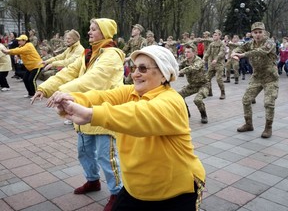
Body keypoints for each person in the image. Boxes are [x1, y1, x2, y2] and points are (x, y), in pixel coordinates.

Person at [47, 45, 206, 211]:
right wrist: (71, 100)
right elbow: (102, 96)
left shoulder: (172, 101)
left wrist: (91, 114)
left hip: (175, 192)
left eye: (143, 68)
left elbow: (138, 115)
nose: (135, 74)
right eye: (134, 67)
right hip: (135, 189)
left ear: (164, 73)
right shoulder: (131, 92)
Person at [31, 18, 124, 211]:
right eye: (89, 29)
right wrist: (46, 88)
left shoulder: (112, 55)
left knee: (106, 157)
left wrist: (63, 92)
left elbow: (93, 80)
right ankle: (93, 181)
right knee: (84, 152)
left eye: (94, 29)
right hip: (83, 114)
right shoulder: (89, 54)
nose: (89, 32)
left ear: (105, 33)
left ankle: (117, 193)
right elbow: (68, 72)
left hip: (103, 113)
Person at [231, 22, 279, 138]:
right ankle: (248, 124)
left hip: (270, 78)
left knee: (269, 103)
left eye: (260, 32)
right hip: (257, 77)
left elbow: (261, 51)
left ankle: (268, 128)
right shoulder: (250, 43)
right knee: (246, 100)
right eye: (255, 32)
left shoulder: (269, 43)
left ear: (264, 33)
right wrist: (234, 52)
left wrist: (243, 55)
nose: (258, 35)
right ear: (252, 34)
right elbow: (240, 47)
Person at [178, 43, 209, 123]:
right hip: (192, 85)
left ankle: (204, 115)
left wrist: (181, 71)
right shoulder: (185, 61)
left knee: (197, 100)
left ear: (194, 52)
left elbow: (194, 68)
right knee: (179, 96)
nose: (186, 54)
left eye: (188, 52)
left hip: (203, 85)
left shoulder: (199, 61)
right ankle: (186, 112)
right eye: (185, 52)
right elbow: (177, 66)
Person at [204, 29, 226, 99]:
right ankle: (209, 92)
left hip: (219, 64)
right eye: (213, 35)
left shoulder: (222, 44)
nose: (214, 36)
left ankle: (223, 93)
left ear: (219, 36)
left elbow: (222, 53)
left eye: (216, 35)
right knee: (207, 78)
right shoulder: (211, 44)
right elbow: (207, 53)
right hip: (211, 64)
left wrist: (216, 59)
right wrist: (204, 59)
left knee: (218, 79)